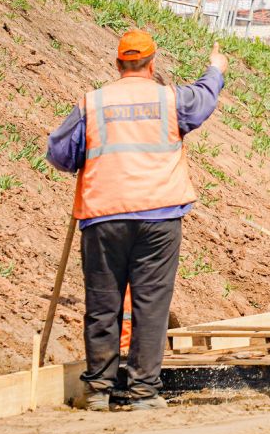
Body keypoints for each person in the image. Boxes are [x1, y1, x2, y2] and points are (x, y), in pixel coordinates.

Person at [46, 29, 229, 411]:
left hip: (103, 217)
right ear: (152, 63)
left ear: (117, 63)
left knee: (102, 302)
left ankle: (99, 390)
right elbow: (204, 98)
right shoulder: (170, 98)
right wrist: (215, 69)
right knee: (150, 304)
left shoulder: (93, 103)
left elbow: (60, 152)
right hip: (159, 218)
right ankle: (143, 391)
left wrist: (83, 156)